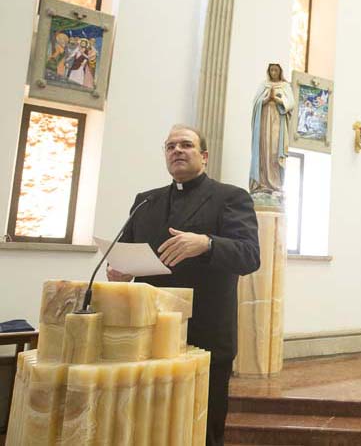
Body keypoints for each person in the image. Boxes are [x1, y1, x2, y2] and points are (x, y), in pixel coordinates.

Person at [107, 124, 260, 446]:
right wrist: (120, 271)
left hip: (205, 331)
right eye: (170, 146)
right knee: (149, 423)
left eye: (186, 145)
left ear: (203, 156)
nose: (177, 150)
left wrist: (207, 243)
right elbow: (125, 253)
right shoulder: (145, 201)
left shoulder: (230, 198)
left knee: (201, 424)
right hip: (148, 331)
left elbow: (249, 256)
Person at [249, 63, 294, 198]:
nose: (274, 72)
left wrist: (279, 100)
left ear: (280, 71)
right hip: (264, 124)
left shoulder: (285, 86)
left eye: (276, 70)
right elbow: (255, 103)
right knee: (264, 151)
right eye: (271, 70)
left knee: (274, 151)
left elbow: (291, 103)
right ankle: (262, 183)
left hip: (277, 124)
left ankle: (275, 184)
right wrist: (266, 99)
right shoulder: (264, 85)